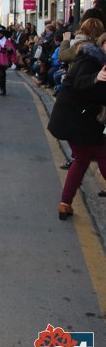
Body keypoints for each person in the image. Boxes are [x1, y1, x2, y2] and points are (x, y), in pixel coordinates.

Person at [48, 33, 106, 220]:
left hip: (75, 119)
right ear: (102, 44)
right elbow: (81, 82)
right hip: (78, 120)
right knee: (101, 154)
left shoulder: (93, 59)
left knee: (82, 160)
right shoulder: (92, 61)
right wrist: (96, 77)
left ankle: (65, 204)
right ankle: (64, 203)